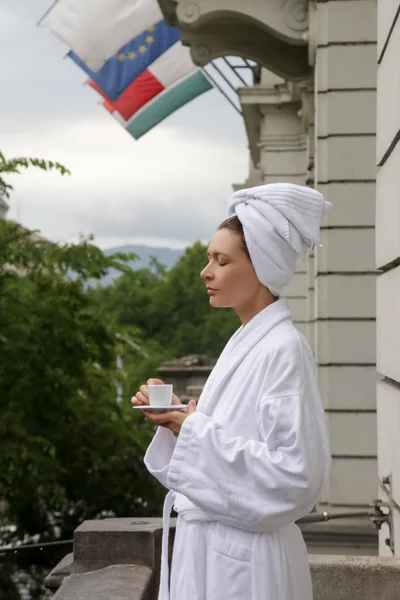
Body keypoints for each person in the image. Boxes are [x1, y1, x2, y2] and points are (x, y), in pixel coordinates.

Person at [131, 183, 332, 600]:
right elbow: (228, 438)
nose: (206, 271)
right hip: (214, 552)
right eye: (209, 259)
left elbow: (297, 476)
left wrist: (191, 430)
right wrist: (175, 422)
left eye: (221, 261)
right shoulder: (245, 340)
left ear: (261, 266)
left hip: (247, 567)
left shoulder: (283, 349)